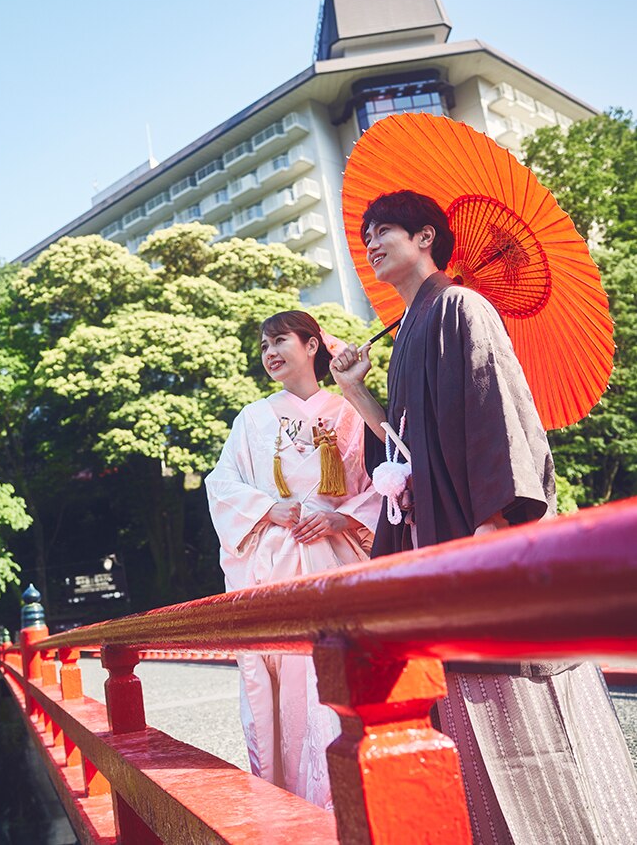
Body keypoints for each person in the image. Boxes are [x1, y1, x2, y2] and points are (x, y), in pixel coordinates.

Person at [330, 189, 637, 844]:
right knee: (468, 729)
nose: (373, 245)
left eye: (385, 231)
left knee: (521, 702)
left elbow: (494, 409)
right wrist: (355, 388)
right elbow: (407, 449)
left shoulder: (461, 306)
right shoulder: (413, 326)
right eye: (367, 237)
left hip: (475, 538)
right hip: (439, 538)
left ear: (426, 240)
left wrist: (495, 526)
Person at [205, 310, 380, 809]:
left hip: (334, 561)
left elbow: (381, 481)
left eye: (280, 340)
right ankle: (299, 805)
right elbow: (222, 485)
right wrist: (269, 507)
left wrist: (341, 519)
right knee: (286, 680)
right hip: (277, 565)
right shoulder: (253, 418)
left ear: (311, 346)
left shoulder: (349, 411)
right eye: (263, 345)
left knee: (338, 670)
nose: (269, 353)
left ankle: (355, 797)